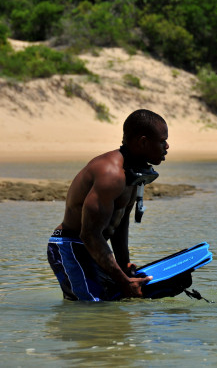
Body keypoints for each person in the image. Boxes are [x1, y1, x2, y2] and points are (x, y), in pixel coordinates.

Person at [47, 109, 169, 301]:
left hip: (95, 248)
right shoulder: (111, 175)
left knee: (116, 302)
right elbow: (89, 234)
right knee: (94, 308)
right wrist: (123, 281)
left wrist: (124, 264)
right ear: (143, 142)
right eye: (162, 141)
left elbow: (119, 224)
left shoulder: (133, 173)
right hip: (72, 246)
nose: (167, 146)